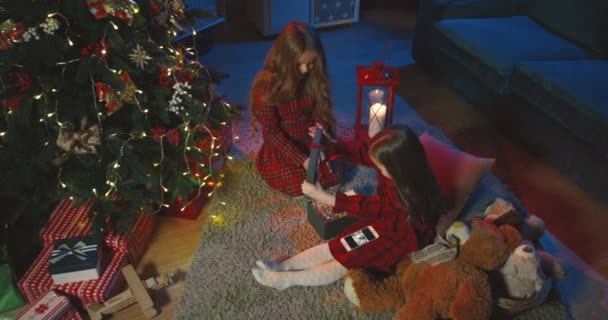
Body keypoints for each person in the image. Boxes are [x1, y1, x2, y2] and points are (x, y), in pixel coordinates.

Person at [251, 126, 449, 290]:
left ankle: (288, 280)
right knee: (339, 245)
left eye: (381, 168)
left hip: (393, 239)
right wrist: (333, 144)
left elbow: (367, 207)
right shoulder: (400, 173)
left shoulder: (405, 198)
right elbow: (363, 154)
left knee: (344, 262)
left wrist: (324, 197)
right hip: (379, 225)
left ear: (398, 167)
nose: (377, 169)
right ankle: (284, 265)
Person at [249, 21, 341, 197]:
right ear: (285, 60)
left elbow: (321, 109)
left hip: (311, 143)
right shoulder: (267, 86)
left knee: (333, 175)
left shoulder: (314, 78)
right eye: (299, 64)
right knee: (299, 186)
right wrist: (302, 160)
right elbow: (272, 133)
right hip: (285, 147)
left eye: (311, 63)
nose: (306, 69)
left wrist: (321, 126)